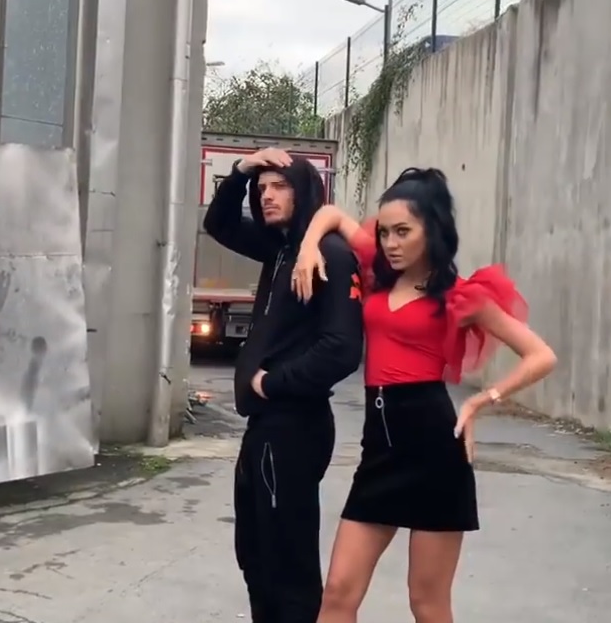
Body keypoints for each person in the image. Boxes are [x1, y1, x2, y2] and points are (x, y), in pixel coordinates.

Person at [290, 167, 557, 623]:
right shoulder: (379, 268)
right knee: (337, 593)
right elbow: (331, 213)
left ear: (431, 230)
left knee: (427, 603)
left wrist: (480, 400)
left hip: (434, 451)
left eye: (403, 232)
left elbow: (541, 355)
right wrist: (307, 247)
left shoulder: (461, 297)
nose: (390, 243)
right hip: (379, 450)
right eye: (384, 232)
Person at [203, 147, 364, 623]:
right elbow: (219, 224)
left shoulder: (331, 255)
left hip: (294, 425)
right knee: (256, 556)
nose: (266, 196)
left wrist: (273, 383)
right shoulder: (279, 249)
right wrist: (241, 171)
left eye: (279, 186)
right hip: (265, 426)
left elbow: (342, 348)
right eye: (261, 188)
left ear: (305, 191)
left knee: (288, 567)